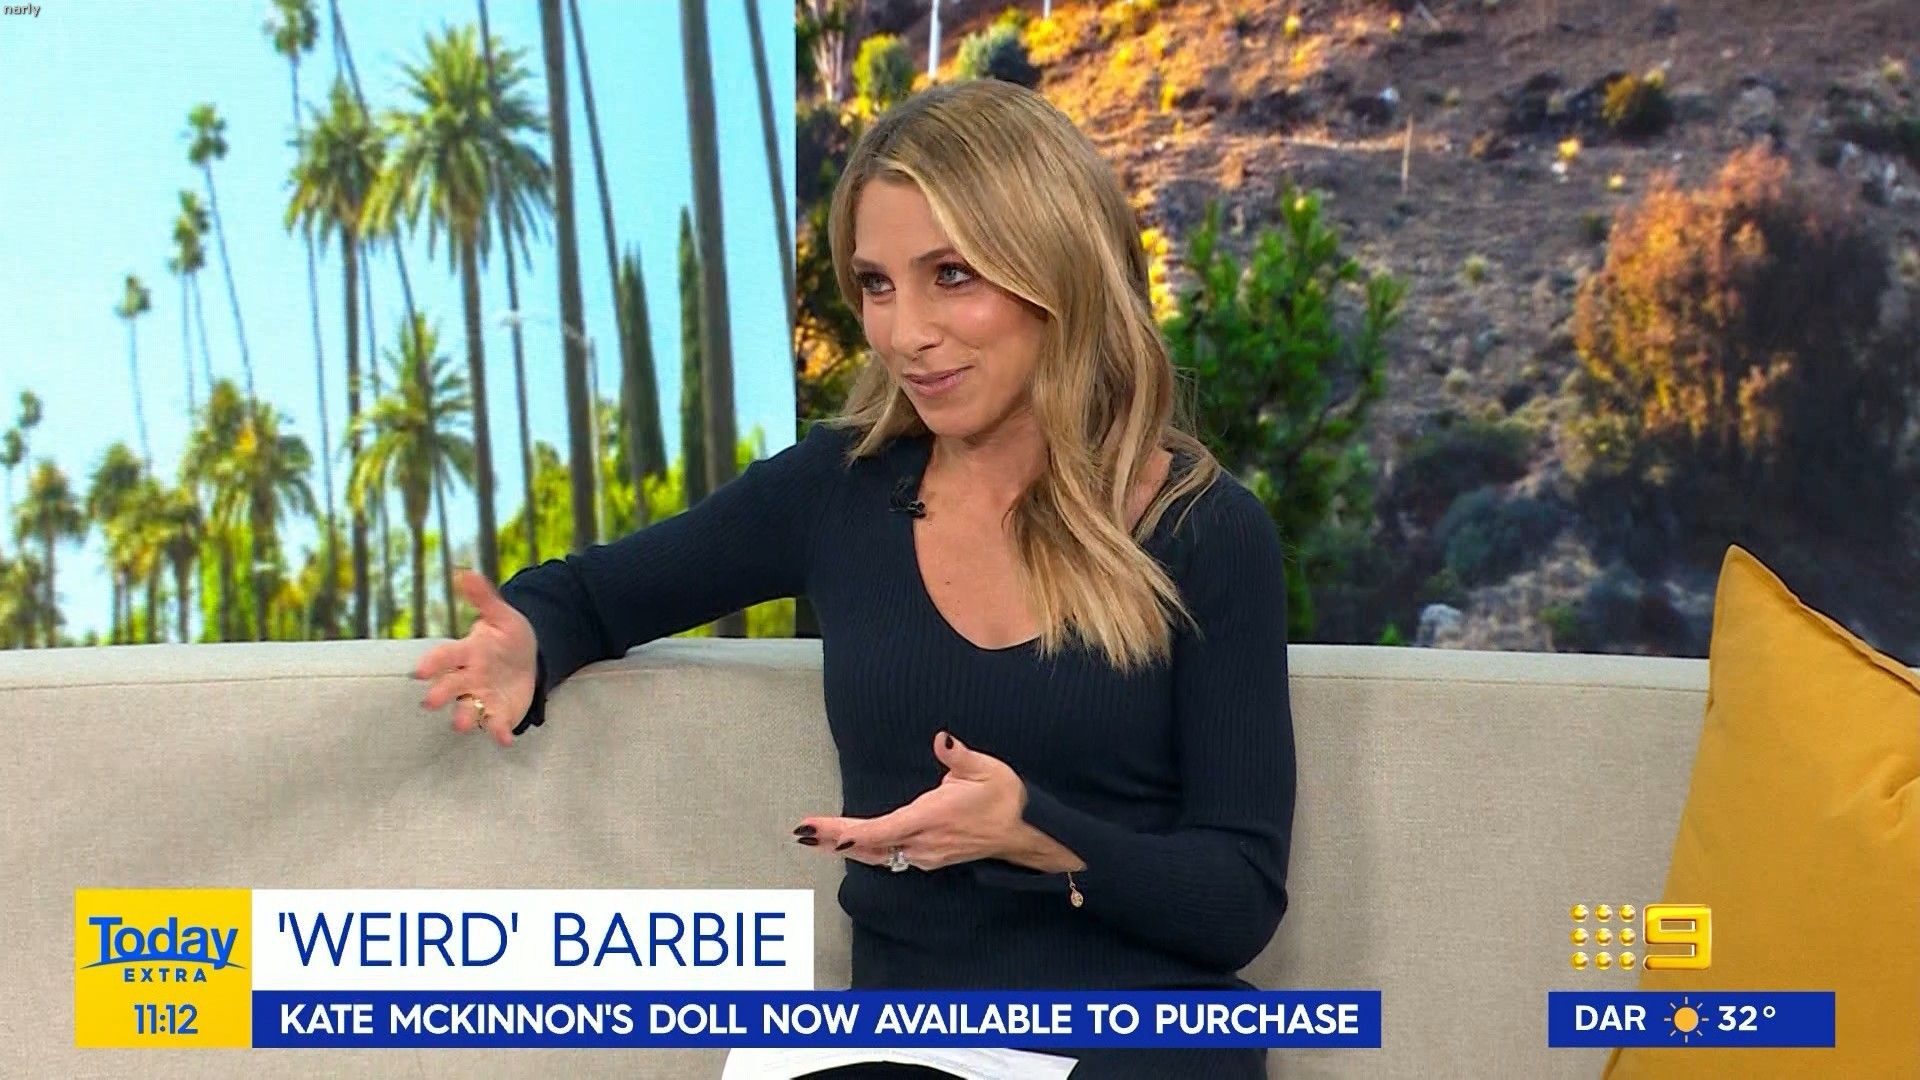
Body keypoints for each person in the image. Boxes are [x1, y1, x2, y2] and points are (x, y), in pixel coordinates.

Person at [411, 78, 1296, 1080]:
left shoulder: (1204, 530)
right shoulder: (838, 489)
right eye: (877, 285)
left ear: (1059, 269)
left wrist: (1032, 831)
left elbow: (1238, 899)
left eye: (950, 275)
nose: (904, 332)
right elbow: (597, 594)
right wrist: (530, 637)